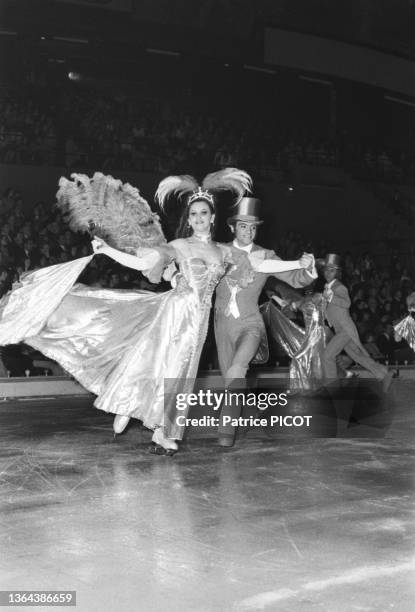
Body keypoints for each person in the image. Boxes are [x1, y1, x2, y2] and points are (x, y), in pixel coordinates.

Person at [0, 170, 306, 455]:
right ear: (190, 218)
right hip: (176, 312)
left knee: (182, 374)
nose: (199, 218)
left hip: (199, 322)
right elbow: (144, 263)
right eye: (194, 214)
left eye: (204, 213)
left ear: (212, 218)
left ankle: (154, 423)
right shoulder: (180, 245)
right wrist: (108, 251)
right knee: (162, 363)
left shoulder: (225, 251)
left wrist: (296, 264)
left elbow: (261, 265)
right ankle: (145, 416)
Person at [213, 196, 317, 446]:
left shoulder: (266, 255)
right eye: (242, 226)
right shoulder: (218, 251)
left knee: (238, 370)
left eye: (253, 227)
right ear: (232, 227)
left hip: (251, 323)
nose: (248, 231)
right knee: (231, 379)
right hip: (221, 325)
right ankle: (249, 415)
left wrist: (308, 268)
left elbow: (295, 277)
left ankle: (225, 435)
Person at [320, 254, 393, 390]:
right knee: (358, 356)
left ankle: (331, 388)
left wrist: (330, 297)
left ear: (337, 272)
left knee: (327, 355)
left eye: (331, 270)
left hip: (345, 329)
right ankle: (385, 374)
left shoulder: (339, 287)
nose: (328, 273)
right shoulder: (327, 288)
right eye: (326, 270)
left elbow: (346, 303)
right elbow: (327, 310)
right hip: (340, 329)